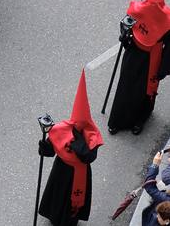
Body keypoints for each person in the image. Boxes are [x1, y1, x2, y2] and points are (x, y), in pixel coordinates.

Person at [108, 0, 170, 134]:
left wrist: (163, 68)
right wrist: (125, 37)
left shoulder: (167, 20)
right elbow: (127, 24)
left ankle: (140, 119)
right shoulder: (138, 8)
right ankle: (118, 120)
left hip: (153, 57)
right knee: (126, 84)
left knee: (145, 90)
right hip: (134, 52)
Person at [38, 70, 103, 226]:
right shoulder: (62, 128)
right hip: (61, 170)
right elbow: (50, 151)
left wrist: (77, 142)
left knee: (70, 201)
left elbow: (89, 157)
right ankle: (54, 216)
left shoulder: (92, 134)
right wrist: (43, 146)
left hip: (79, 173)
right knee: (58, 195)